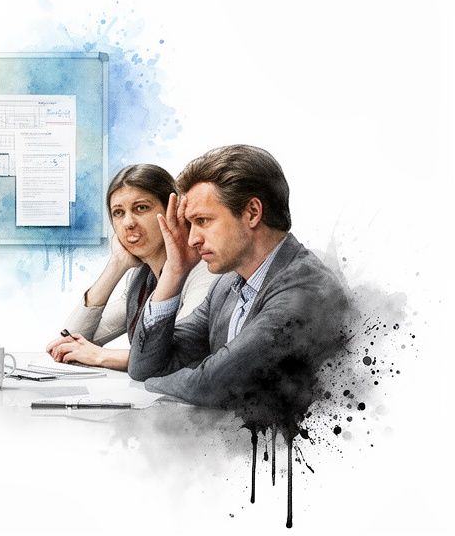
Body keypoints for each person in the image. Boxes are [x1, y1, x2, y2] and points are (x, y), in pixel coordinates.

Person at [129, 144, 350, 415]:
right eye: (191, 224)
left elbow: (213, 384)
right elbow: (145, 366)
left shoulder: (306, 288)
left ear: (252, 213)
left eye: (203, 220)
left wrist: (157, 382)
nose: (192, 239)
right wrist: (175, 272)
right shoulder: (226, 287)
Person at [46, 164, 218, 369]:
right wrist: (116, 265)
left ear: (174, 212)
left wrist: (100, 356)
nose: (128, 223)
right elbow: (72, 339)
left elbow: (179, 356)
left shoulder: (204, 271)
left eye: (141, 208)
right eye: (118, 213)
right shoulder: (142, 278)